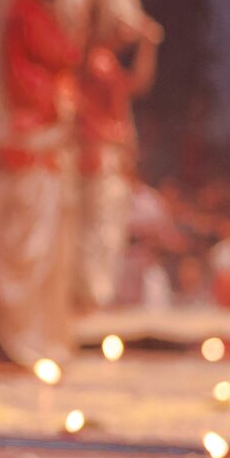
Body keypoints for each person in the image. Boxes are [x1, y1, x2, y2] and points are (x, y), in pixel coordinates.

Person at [0, 0, 82, 368]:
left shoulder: (45, 10)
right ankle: (14, 330)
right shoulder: (21, 10)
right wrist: (55, 104)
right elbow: (22, 77)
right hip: (32, 136)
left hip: (50, 143)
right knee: (26, 245)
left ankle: (35, 330)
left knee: (48, 246)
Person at [74, 20, 160, 310]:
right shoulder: (92, 58)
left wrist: (147, 46)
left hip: (110, 157)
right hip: (99, 156)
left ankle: (97, 295)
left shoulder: (104, 60)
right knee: (97, 229)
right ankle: (90, 296)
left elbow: (138, 82)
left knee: (108, 230)